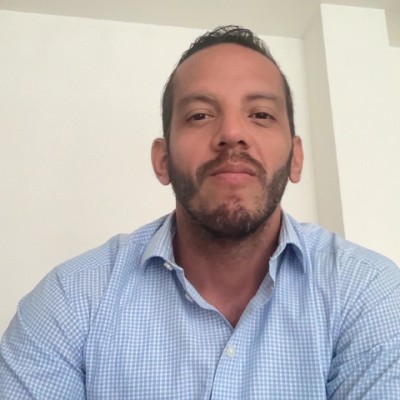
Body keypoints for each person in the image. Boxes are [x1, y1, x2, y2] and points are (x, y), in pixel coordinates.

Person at [1, 25, 400, 399]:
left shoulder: (368, 292)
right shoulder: (69, 299)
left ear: (296, 159)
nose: (232, 133)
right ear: (162, 161)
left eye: (261, 114)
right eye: (200, 115)